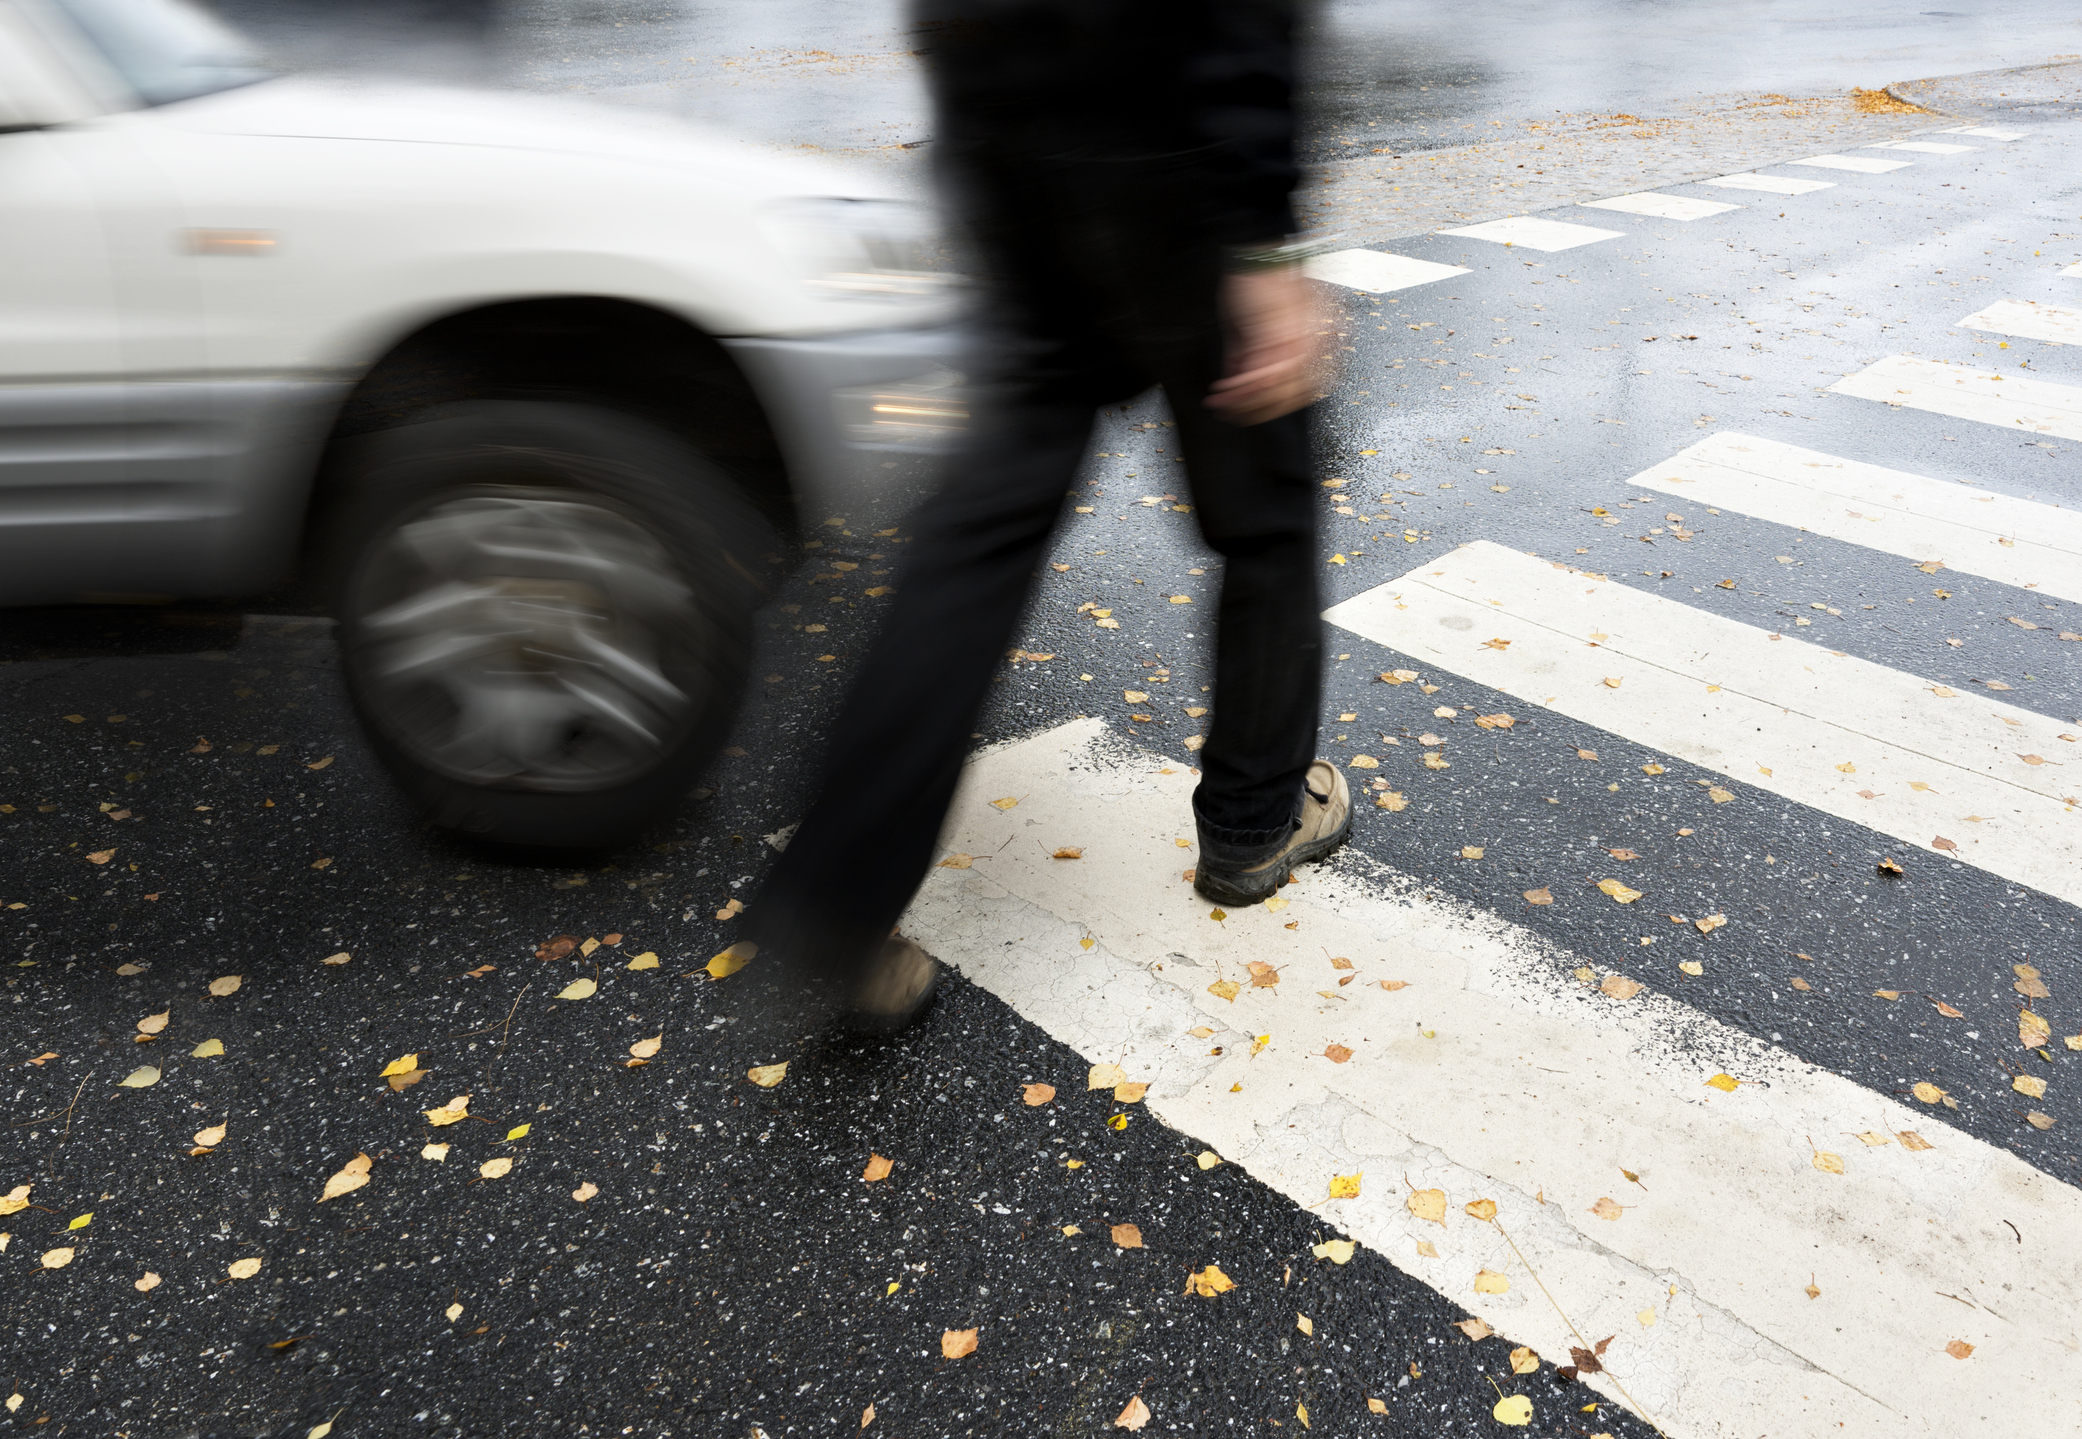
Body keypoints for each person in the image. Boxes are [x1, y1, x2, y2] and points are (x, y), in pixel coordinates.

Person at [743, 0, 1347, 1033]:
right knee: (1268, 510)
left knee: (978, 537)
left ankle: (837, 900)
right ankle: (1254, 823)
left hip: (1009, 139)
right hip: (1171, 140)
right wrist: (1261, 242)